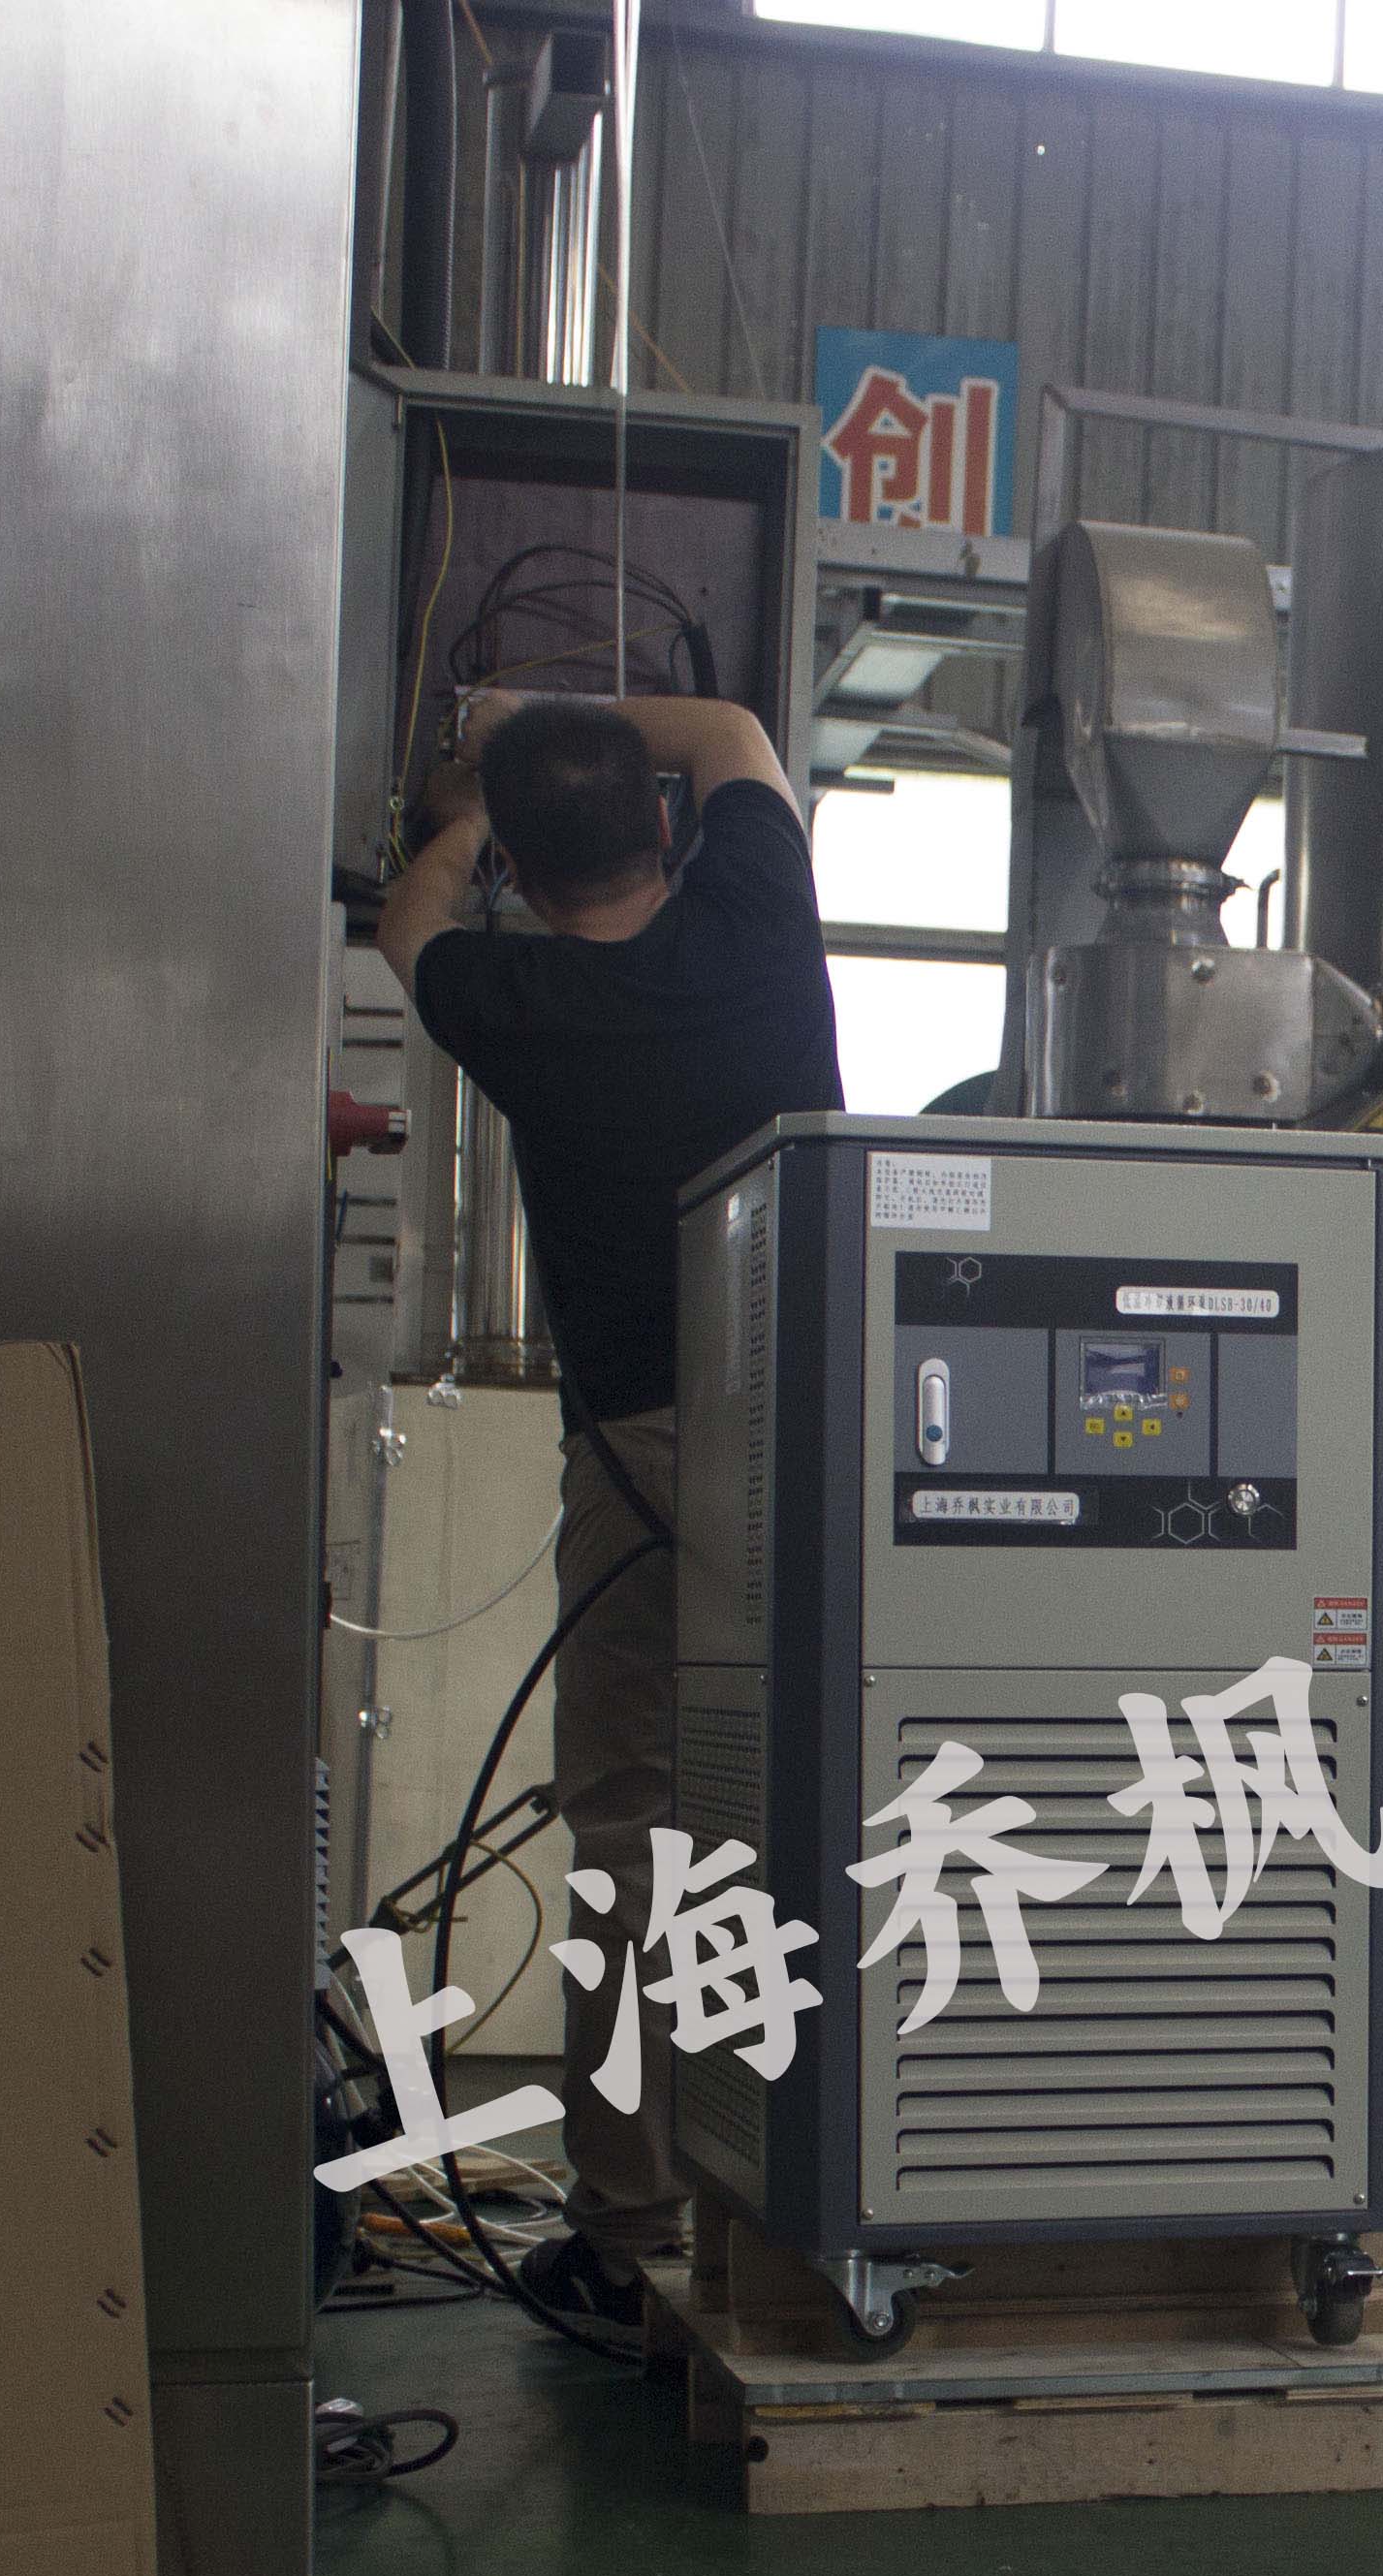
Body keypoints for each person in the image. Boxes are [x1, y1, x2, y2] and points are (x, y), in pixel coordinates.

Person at [379, 688, 842, 2266]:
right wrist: (547, 718)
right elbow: (729, 730)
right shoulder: (762, 925)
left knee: (638, 1833)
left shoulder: (512, 1002)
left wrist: (466, 795)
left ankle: (637, 2213)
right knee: (830, 1797)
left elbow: (410, 921)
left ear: (520, 864)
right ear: (662, 824)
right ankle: (822, 2187)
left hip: (644, 1455)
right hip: (828, 1434)